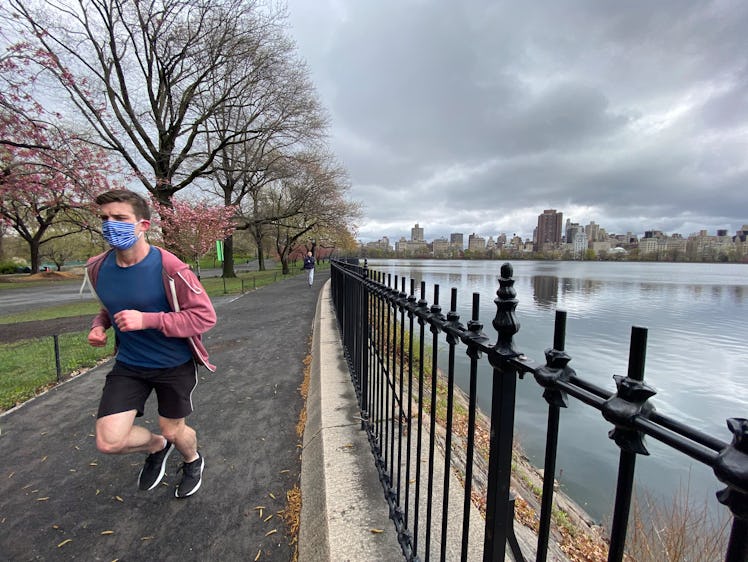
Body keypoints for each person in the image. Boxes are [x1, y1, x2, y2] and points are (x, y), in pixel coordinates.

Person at [83, 189, 217, 498]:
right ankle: (157, 447)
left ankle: (192, 459)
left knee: (174, 428)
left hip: (173, 364)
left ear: (143, 225)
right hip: (130, 365)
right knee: (109, 441)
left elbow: (204, 317)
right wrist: (98, 326)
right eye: (104, 219)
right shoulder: (99, 268)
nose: (109, 225)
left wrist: (149, 320)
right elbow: (109, 306)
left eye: (120, 218)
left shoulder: (170, 268)